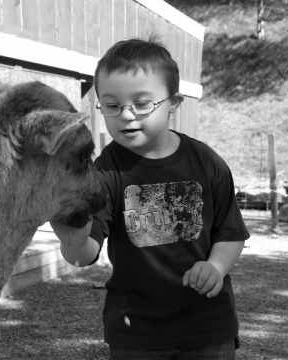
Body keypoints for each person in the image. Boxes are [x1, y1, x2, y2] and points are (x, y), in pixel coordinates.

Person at [51, 34, 250, 360]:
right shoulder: (103, 173)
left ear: (173, 104)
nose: (126, 115)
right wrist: (71, 238)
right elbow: (83, 256)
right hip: (135, 334)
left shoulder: (207, 162)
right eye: (112, 105)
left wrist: (216, 266)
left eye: (142, 103)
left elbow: (230, 234)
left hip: (209, 328)